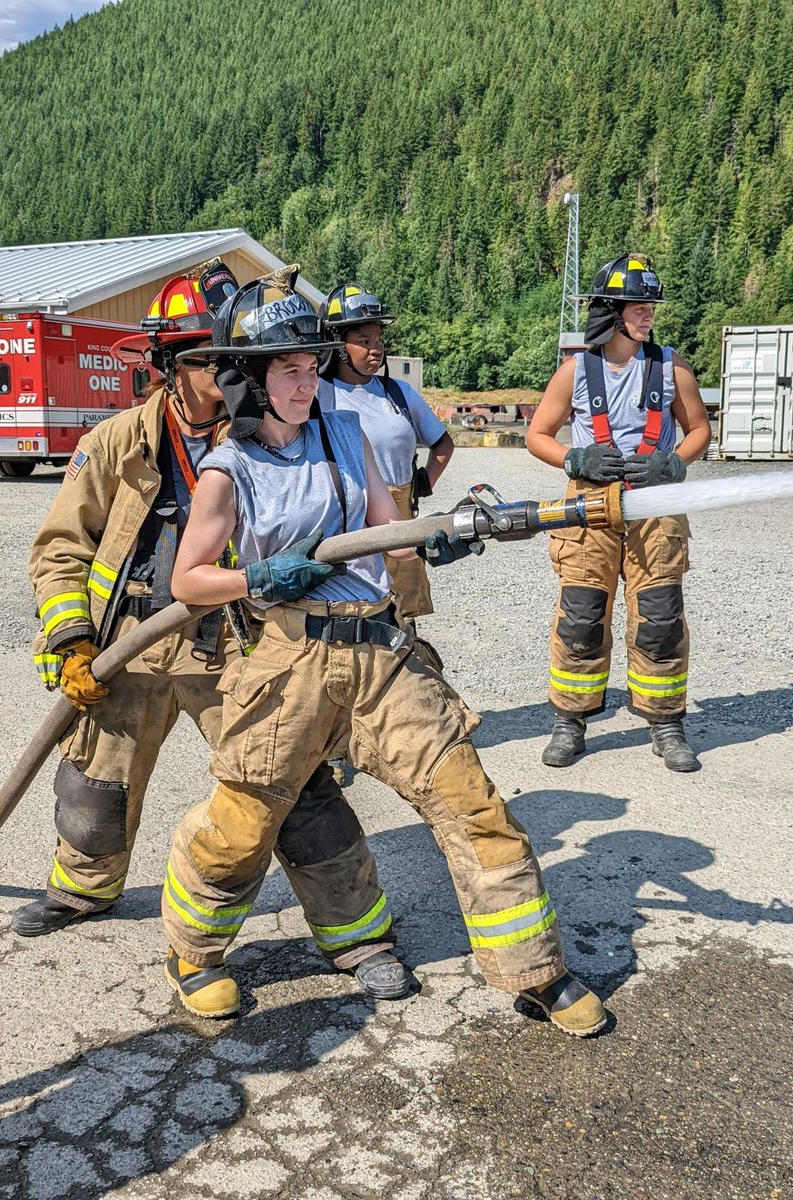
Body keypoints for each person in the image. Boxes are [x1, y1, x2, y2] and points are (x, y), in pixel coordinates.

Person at [158, 266, 606, 1037]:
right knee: (243, 822)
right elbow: (188, 580)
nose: (308, 383)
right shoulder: (228, 470)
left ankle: (536, 971)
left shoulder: (345, 434)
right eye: (289, 370)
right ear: (249, 379)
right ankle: (193, 955)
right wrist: (257, 577)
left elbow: (385, 531)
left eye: (312, 366)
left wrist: (439, 537)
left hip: (378, 653)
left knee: (471, 803)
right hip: (289, 661)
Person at [14, 263, 408, 1007]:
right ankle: (82, 890)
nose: (228, 375)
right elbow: (61, 549)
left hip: (235, 639)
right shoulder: (117, 441)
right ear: (170, 365)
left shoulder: (271, 435)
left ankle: (358, 935)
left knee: (291, 784)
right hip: (129, 640)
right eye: (208, 360)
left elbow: (359, 525)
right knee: (95, 780)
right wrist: (71, 641)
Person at [526, 254, 712, 772]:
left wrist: (675, 461)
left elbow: (699, 429)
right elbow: (537, 435)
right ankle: (570, 721)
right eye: (638, 305)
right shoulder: (575, 372)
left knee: (660, 616)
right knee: (581, 615)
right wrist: (574, 458)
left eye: (651, 305)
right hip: (590, 504)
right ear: (611, 310)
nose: (648, 313)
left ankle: (666, 723)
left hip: (656, 506)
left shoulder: (671, 367)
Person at [318, 284, 454, 658]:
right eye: (363, 341)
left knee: (404, 619)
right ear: (337, 344)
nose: (375, 349)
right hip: (348, 526)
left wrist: (421, 485)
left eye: (379, 340)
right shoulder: (317, 394)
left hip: (400, 521)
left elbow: (443, 445)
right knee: (353, 613)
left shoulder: (398, 393)